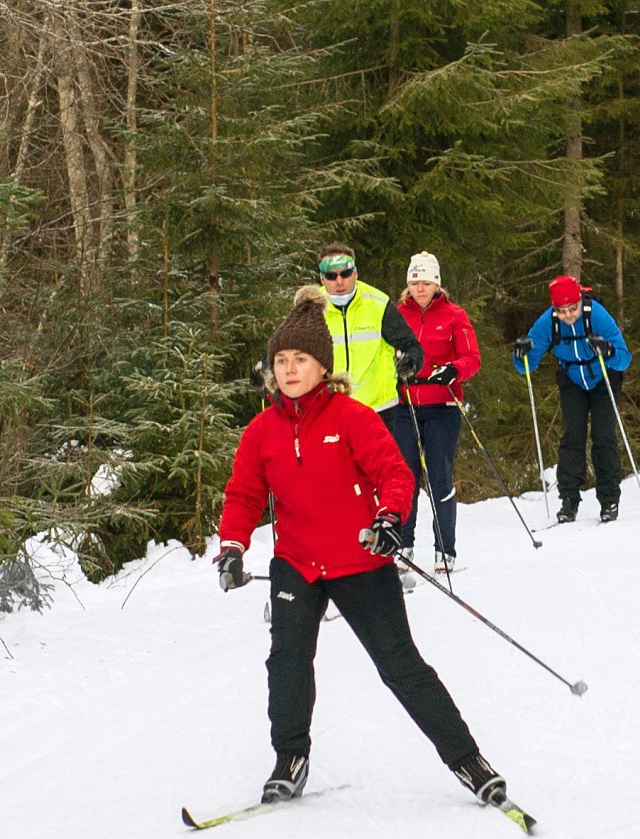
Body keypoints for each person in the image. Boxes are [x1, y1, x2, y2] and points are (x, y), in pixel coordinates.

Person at [214, 285, 514, 811]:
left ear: (322, 366)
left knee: (400, 665)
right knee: (287, 663)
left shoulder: (352, 417)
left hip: (360, 559)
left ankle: (468, 760)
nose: (289, 369)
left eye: (300, 359)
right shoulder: (262, 431)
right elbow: (243, 494)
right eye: (281, 360)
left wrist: (389, 517)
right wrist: (233, 547)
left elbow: (394, 474)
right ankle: (290, 760)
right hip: (298, 564)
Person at [513, 275, 632, 524]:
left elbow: (624, 359)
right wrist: (520, 354)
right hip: (572, 380)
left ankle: (609, 499)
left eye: (573, 308)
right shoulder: (548, 322)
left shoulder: (596, 315)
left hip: (604, 377)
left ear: (580, 302)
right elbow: (527, 366)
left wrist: (608, 351)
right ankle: (569, 500)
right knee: (572, 437)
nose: (568, 315)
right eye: (561, 310)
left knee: (603, 436)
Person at [395, 251, 481, 573]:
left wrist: (453, 370)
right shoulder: (396, 315)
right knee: (404, 476)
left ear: (437, 284)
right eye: (414, 281)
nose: (420, 288)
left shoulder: (454, 315)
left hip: (442, 406)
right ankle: (403, 544)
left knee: (439, 477)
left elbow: (472, 358)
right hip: (403, 405)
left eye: (426, 282)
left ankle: (445, 549)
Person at [313, 243, 426, 443]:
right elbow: (286, 347)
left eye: (345, 273)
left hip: (378, 410)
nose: (339, 281)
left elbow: (412, 346)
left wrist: (410, 363)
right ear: (322, 279)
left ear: (355, 273)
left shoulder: (378, 303)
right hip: (329, 409)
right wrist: (266, 369)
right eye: (331, 276)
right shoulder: (311, 308)